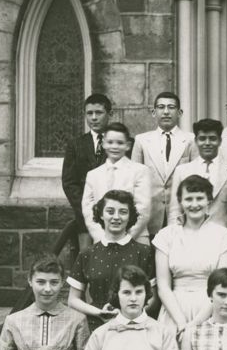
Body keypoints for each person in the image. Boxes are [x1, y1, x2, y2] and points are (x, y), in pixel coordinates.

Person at [153, 175, 227, 350]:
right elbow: (164, 286)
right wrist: (181, 323)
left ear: (209, 201)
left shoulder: (223, 236)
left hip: (211, 311)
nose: (194, 204)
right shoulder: (166, 235)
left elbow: (222, 287)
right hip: (174, 312)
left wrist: (195, 325)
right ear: (180, 202)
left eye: (200, 198)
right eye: (189, 198)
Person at [68, 189, 157, 331]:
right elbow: (73, 300)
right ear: (101, 215)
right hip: (97, 326)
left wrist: (127, 315)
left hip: (135, 327)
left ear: (130, 216)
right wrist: (99, 312)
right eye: (110, 211)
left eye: (123, 212)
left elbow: (152, 299)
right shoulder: (88, 254)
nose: (116, 217)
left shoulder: (144, 252)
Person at [131, 91, 196, 235]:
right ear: (154, 112)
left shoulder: (190, 140)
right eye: (161, 107)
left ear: (179, 112)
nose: (166, 112)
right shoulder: (142, 140)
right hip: (150, 215)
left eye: (171, 107)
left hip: (181, 212)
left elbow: (196, 179)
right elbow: (134, 181)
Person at [81, 122, 153, 245]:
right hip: (102, 241)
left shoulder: (140, 171)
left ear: (128, 145)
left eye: (120, 143)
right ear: (103, 143)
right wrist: (102, 238)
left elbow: (143, 209)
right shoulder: (93, 175)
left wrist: (124, 238)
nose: (114, 147)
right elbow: (88, 211)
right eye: (110, 142)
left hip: (135, 239)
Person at [62, 92, 113, 249]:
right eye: (89, 113)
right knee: (87, 259)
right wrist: (85, 209)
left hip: (113, 214)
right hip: (85, 217)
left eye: (99, 113)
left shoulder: (119, 143)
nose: (94, 118)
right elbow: (69, 182)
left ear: (109, 114)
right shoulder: (76, 145)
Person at [172, 118, 227, 227]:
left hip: (222, 237)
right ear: (196, 141)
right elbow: (175, 211)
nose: (207, 143)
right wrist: (174, 238)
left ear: (220, 141)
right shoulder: (182, 171)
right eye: (202, 138)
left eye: (212, 139)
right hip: (189, 236)